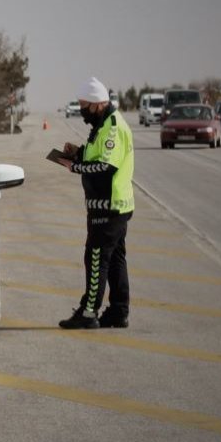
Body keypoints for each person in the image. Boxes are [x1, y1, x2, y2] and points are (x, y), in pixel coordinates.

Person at [52, 77, 134, 329]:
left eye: (85, 106)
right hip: (111, 206)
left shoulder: (112, 127)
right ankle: (119, 312)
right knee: (115, 261)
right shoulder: (102, 125)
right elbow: (96, 156)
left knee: (96, 257)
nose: (83, 112)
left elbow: (106, 166)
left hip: (109, 207)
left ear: (98, 104)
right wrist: (78, 153)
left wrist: (74, 166)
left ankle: (89, 313)